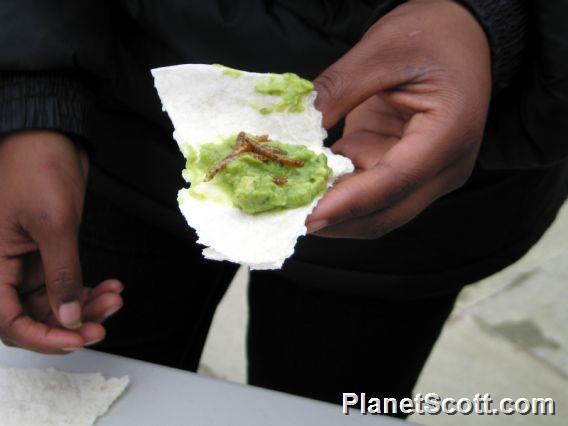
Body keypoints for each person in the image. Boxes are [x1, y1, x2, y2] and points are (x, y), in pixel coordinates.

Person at [1, 0, 567, 417]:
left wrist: (490, 20)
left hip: (419, 174)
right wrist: (29, 94)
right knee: (111, 388)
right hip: (112, 130)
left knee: (336, 402)